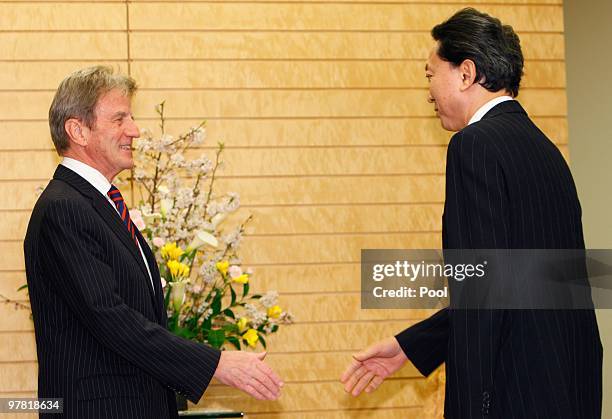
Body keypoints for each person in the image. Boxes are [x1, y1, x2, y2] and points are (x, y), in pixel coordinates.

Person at [341, 8, 602, 418]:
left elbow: (482, 293)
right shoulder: (546, 151)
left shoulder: (474, 145)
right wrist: (412, 346)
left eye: (430, 75)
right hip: (566, 388)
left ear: (466, 73)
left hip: (509, 396)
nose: (427, 91)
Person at [24, 66, 283, 419]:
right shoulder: (65, 208)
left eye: (132, 118)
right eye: (119, 119)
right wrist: (216, 364)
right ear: (77, 130)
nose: (135, 130)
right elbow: (110, 318)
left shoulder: (100, 204)